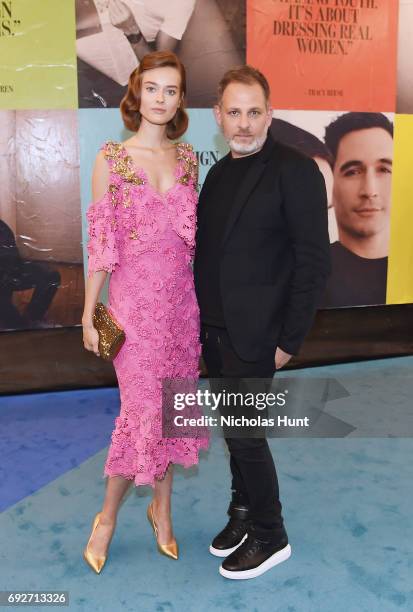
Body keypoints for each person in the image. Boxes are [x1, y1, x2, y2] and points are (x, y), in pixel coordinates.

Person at [193, 65, 330, 579]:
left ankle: (272, 536)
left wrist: (288, 341)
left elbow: (314, 261)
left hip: (260, 336)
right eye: (234, 112)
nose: (244, 124)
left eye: (254, 112)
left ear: (270, 114)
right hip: (216, 331)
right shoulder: (219, 173)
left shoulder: (295, 170)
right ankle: (244, 513)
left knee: (247, 435)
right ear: (218, 116)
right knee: (234, 432)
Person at [82, 50, 208, 574]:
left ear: (181, 100)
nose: (161, 98)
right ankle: (107, 518)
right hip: (133, 311)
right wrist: (89, 312)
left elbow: (193, 246)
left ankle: (164, 509)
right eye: (152, 88)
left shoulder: (188, 159)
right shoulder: (111, 157)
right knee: (140, 413)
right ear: (137, 95)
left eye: (171, 90)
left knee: (173, 410)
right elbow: (101, 242)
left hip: (182, 308)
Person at [322, 112, 393, 308]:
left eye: (384, 170)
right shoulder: (307, 272)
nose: (370, 191)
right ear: (330, 180)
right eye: (352, 172)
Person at [0, 219, 60, 330]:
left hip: (12, 272)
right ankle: (22, 326)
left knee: (51, 276)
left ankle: (33, 317)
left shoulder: (2, 227)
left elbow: (12, 255)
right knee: (17, 326)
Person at [108, 0, 196, 59]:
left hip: (135, 41)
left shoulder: (181, 4)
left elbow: (157, 66)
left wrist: (131, 29)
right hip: (105, 22)